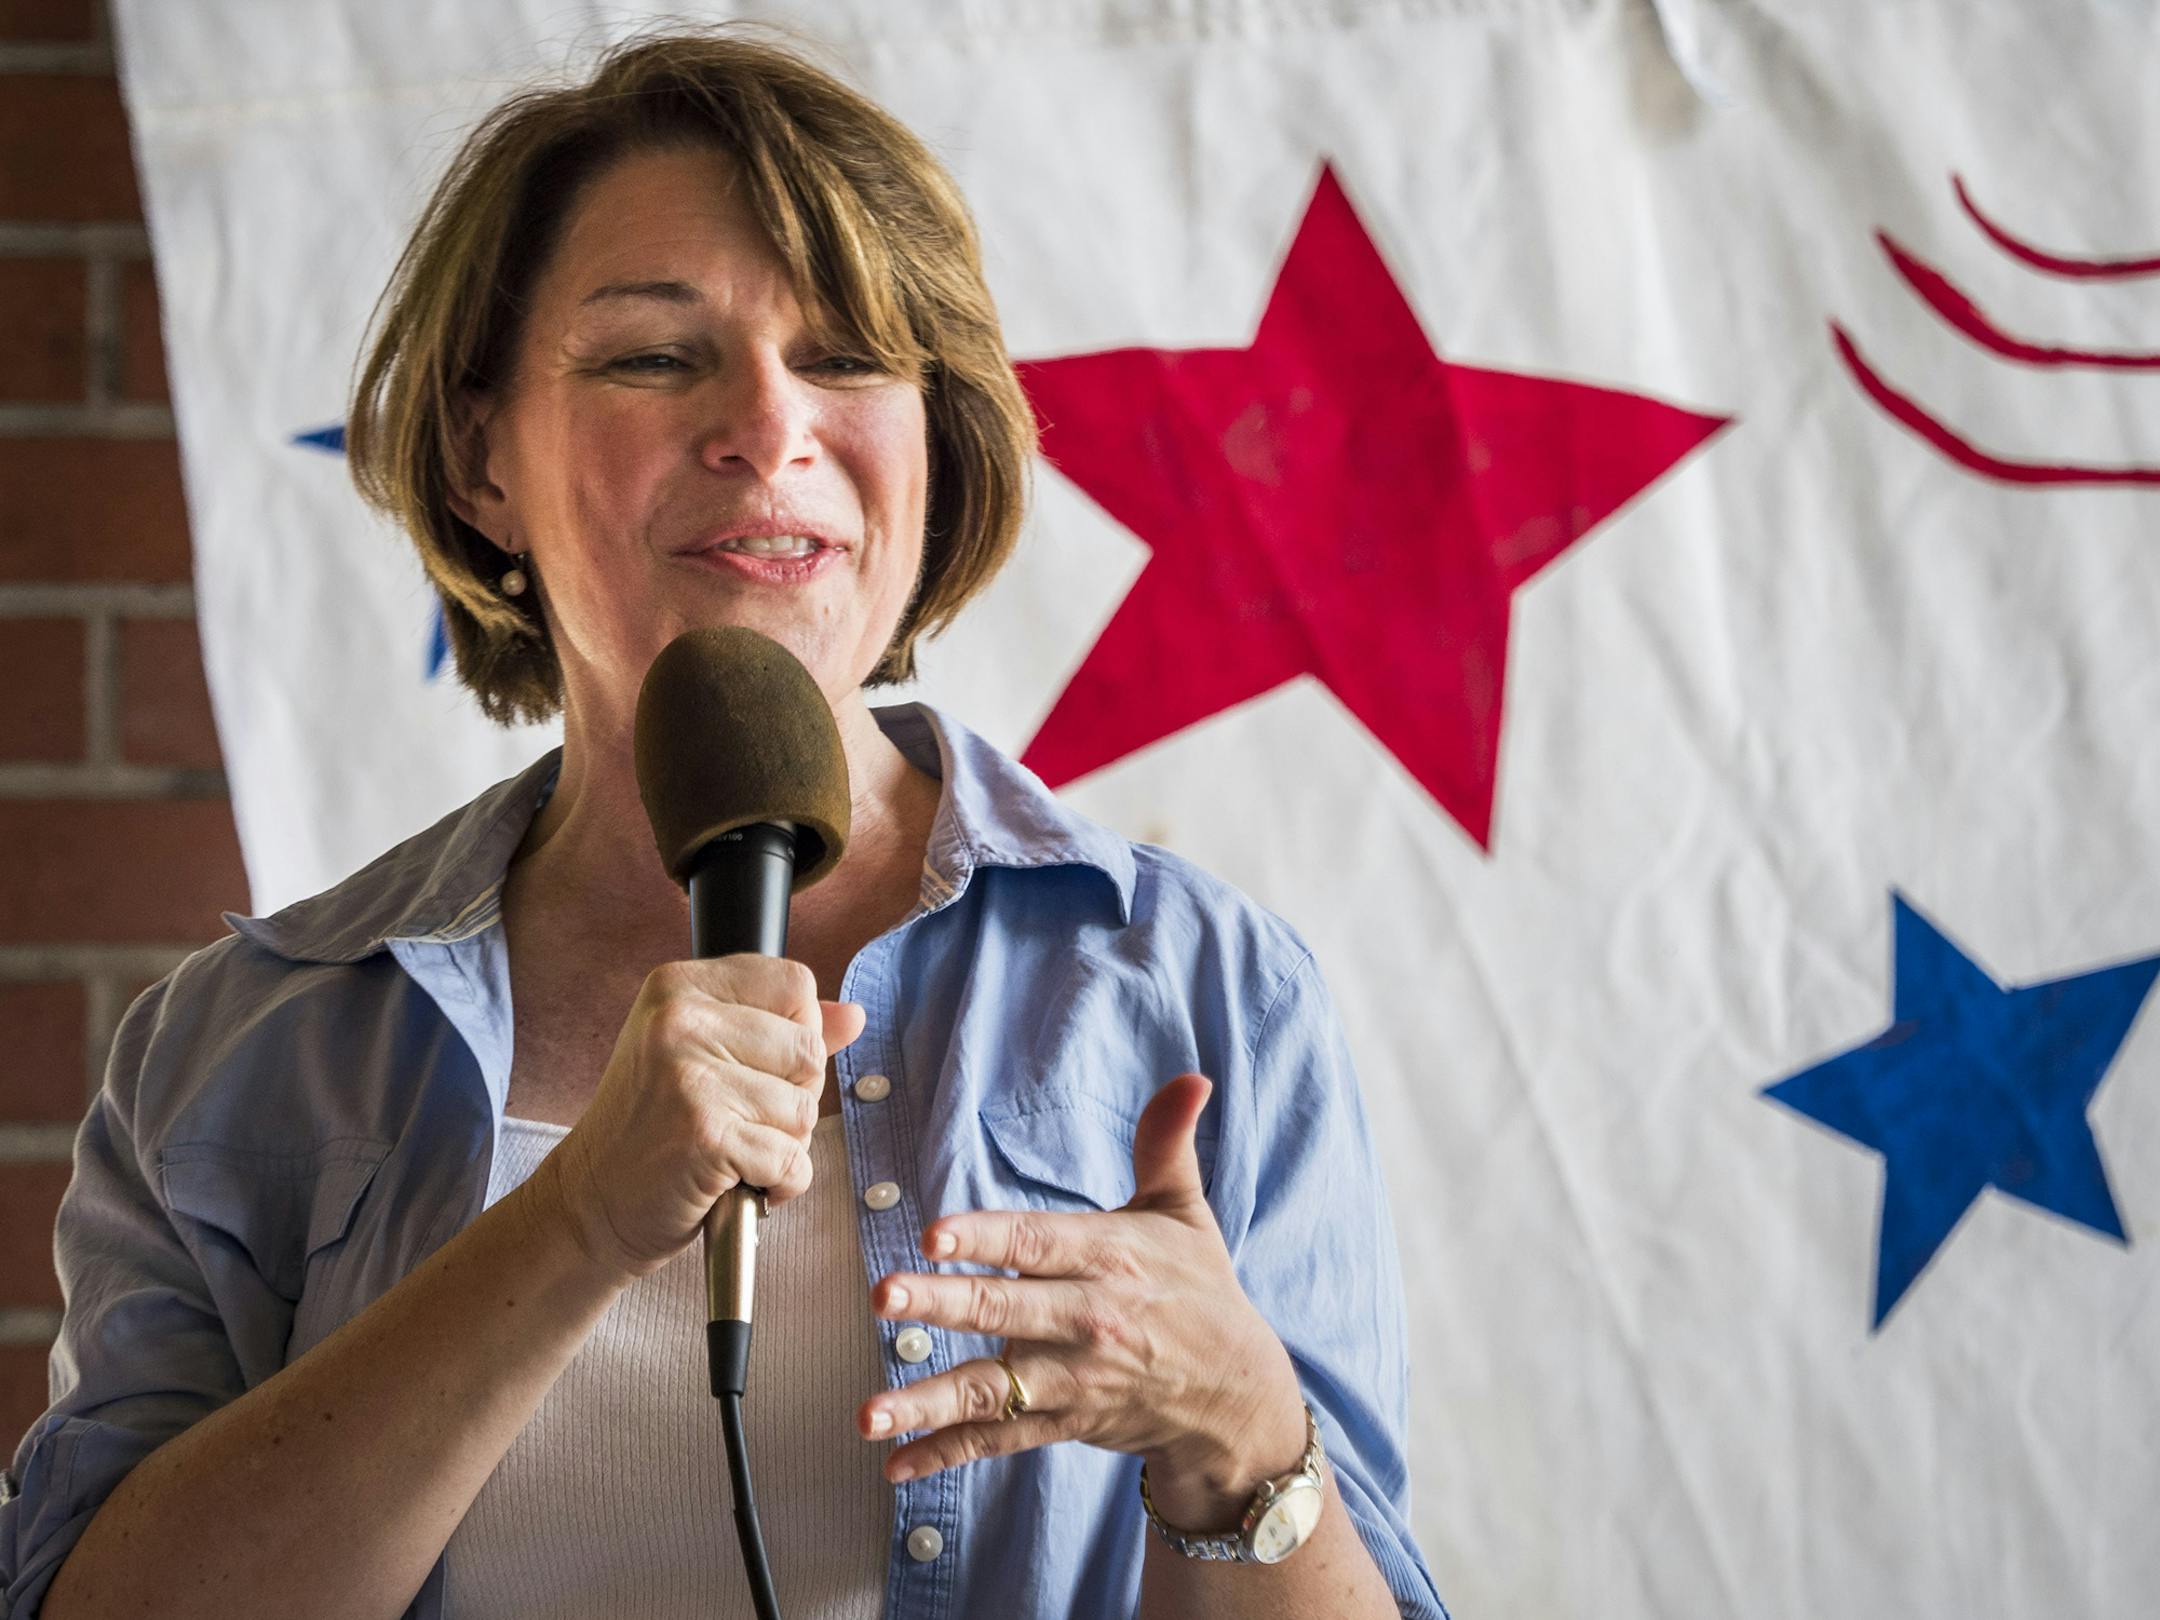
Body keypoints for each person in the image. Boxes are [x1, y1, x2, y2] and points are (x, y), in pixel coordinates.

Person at [0, 24, 1447, 1620]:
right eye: (652, 355)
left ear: (934, 436)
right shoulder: (243, 1046)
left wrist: (1243, 1440)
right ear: (483, 456)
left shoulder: (1204, 989)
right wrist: (574, 1224)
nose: (768, 426)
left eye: (844, 357)